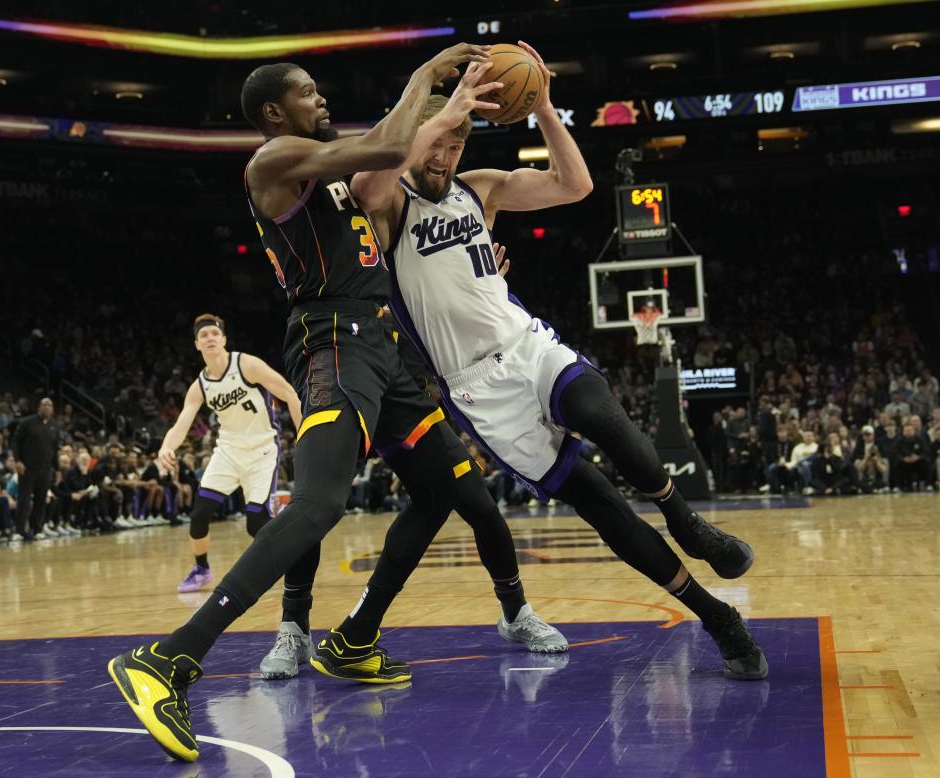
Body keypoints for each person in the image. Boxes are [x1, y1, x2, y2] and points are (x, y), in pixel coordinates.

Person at [108, 43, 564, 764]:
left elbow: (392, 174)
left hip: (385, 353)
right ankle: (169, 659)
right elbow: (386, 142)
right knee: (320, 504)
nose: (321, 101)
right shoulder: (273, 163)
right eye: (309, 92)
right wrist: (429, 77)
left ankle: (353, 639)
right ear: (272, 111)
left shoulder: (337, 180)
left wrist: (456, 139)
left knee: (446, 489)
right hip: (333, 342)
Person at [338, 45, 765, 688]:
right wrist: (441, 106)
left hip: (528, 342)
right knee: (600, 506)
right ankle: (718, 617)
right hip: (479, 388)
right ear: (416, 137)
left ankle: (684, 517)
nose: (446, 156)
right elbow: (370, 179)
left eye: (457, 144)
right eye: (438, 143)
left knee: (607, 418)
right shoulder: (387, 205)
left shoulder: (479, 189)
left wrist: (540, 105)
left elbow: (576, 185)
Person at [157, 313, 302, 593]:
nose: (210, 338)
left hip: (262, 451)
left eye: (214, 334)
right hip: (228, 452)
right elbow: (182, 424)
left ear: (223, 339)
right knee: (199, 514)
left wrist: (304, 435)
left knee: (255, 524)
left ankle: (283, 560)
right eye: (204, 335)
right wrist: (166, 447)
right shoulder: (200, 385)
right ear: (197, 345)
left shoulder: (246, 364)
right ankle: (201, 570)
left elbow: (288, 393)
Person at [11, 397, 59, 540]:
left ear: (53, 409)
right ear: (39, 407)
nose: (47, 407)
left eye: (50, 405)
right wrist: (18, 461)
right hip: (27, 468)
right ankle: (19, 531)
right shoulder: (27, 423)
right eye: (44, 404)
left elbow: (55, 449)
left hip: (46, 469)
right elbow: (15, 441)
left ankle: (36, 529)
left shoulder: (54, 426)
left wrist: (57, 469)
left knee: (41, 500)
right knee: (24, 500)